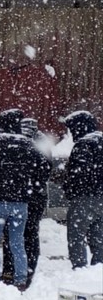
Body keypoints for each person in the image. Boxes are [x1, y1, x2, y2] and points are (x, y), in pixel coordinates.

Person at [0, 109, 50, 289]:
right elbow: (44, 168)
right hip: (21, 202)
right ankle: (21, 278)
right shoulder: (28, 144)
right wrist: (30, 187)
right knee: (17, 242)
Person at [2, 117, 52, 281]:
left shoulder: (15, 141)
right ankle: (29, 268)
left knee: (13, 233)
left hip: (16, 196)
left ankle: (10, 269)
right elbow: (46, 169)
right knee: (30, 233)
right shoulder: (41, 142)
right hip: (34, 196)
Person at [62, 110, 103, 268]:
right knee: (99, 237)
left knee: (76, 237)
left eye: (72, 129)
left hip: (84, 198)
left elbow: (78, 174)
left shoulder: (84, 144)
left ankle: (79, 269)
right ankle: (99, 269)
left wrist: (69, 190)